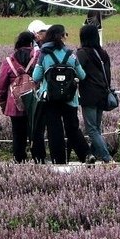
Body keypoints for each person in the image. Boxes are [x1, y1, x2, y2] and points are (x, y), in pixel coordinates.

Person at [32, 25, 92, 165]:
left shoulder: (44, 54)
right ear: (62, 36)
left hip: (50, 99)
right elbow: (82, 75)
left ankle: (58, 161)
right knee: (73, 128)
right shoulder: (71, 55)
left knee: (55, 130)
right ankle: (86, 155)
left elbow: (36, 76)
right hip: (70, 99)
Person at [0, 30, 42, 163]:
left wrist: (2, 101)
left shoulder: (9, 61)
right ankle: (39, 160)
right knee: (36, 133)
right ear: (32, 43)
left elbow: (1, 84)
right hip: (34, 102)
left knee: (18, 135)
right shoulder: (38, 57)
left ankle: (19, 161)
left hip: (14, 104)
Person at [75, 23, 114, 163]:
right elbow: (108, 74)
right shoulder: (103, 53)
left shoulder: (82, 53)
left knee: (92, 130)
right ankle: (90, 156)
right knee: (96, 128)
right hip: (102, 93)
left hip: (89, 96)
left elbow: (77, 72)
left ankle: (107, 158)